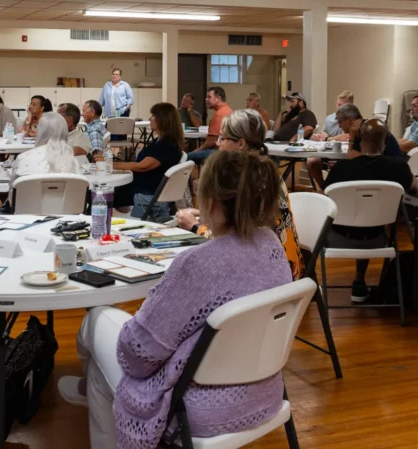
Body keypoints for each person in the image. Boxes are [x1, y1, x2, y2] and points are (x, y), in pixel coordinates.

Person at [59, 149, 291, 448]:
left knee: (96, 319)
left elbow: (138, 356)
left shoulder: (198, 264)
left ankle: (95, 388)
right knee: (103, 365)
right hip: (266, 392)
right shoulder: (271, 245)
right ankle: (93, 386)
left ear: (210, 202)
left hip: (197, 407)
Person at [176, 109, 304, 280]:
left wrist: (194, 226)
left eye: (223, 138)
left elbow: (236, 244)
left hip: (266, 280)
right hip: (286, 269)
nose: (218, 144)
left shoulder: (247, 184)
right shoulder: (267, 175)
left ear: (241, 144)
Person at [320, 119, 418, 303]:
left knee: (304, 226)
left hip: (336, 240)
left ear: (359, 140)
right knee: (368, 218)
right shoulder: (398, 168)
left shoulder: (341, 169)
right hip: (378, 240)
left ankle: (309, 284)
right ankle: (358, 282)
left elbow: (321, 200)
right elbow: (415, 187)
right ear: (387, 141)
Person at [112, 103, 184, 219]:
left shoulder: (166, 145)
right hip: (145, 186)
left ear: (162, 120)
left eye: (153, 116)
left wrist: (111, 165)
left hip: (146, 192)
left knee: (106, 195)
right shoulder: (161, 141)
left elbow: (142, 166)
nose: (150, 119)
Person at [306, 103, 404, 189]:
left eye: (340, 122)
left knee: (342, 170)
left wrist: (352, 137)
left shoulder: (365, 132)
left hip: (382, 175)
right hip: (389, 177)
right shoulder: (364, 126)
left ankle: (326, 191)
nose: (339, 126)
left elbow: (353, 157)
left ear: (349, 120)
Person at [12, 112, 81, 181]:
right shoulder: (72, 162)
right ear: (65, 132)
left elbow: (13, 189)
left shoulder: (22, 158)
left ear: (40, 132)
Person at [188, 86, 233, 164]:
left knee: (187, 157)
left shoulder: (219, 115)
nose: (206, 99)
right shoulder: (228, 110)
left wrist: (198, 149)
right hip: (227, 149)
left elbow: (212, 141)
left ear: (218, 99)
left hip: (219, 151)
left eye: (209, 97)